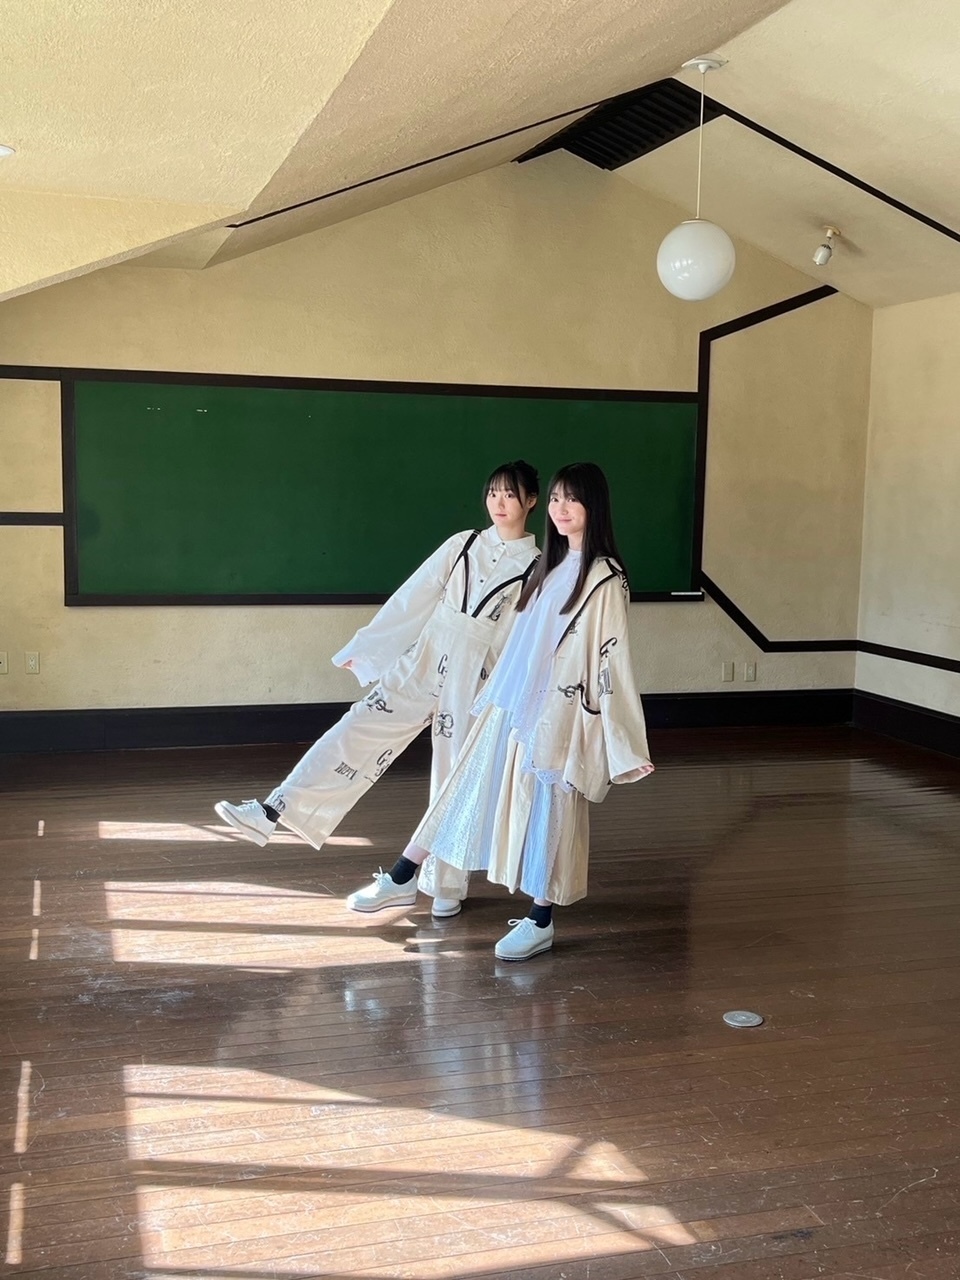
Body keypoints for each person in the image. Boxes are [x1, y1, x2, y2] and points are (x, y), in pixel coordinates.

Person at [347, 461, 653, 959]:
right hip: (510, 699)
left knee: (550, 812)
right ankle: (405, 874)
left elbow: (610, 660)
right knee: (464, 784)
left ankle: (540, 918)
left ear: (594, 506)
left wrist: (622, 741)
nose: (560, 509)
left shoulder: (605, 577)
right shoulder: (550, 566)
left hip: (558, 713)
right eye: (555, 499)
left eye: (572, 499)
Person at [215, 460, 540, 918]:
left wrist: (501, 700)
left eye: (509, 494)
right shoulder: (463, 544)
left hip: (476, 676)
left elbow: (516, 640)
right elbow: (414, 596)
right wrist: (369, 649)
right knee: (357, 726)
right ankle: (272, 811)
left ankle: (446, 884)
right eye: (492, 493)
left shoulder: (536, 567)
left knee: (453, 778)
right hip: (425, 657)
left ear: (531, 500)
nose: (498, 503)